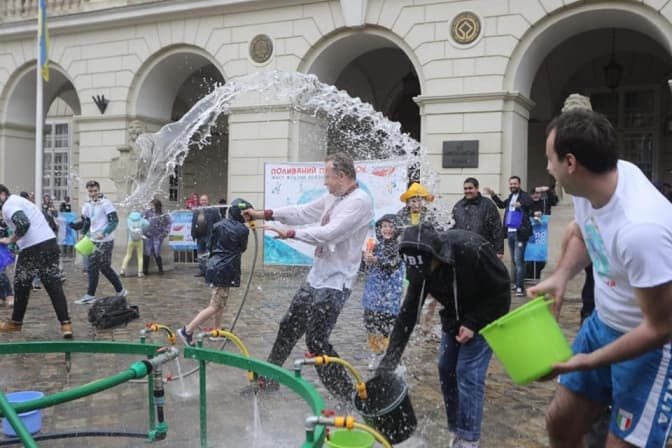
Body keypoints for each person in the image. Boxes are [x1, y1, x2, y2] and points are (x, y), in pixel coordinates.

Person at [527, 108, 672, 447]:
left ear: (571, 163)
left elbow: (661, 327)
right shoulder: (593, 186)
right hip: (602, 324)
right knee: (561, 423)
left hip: (652, 348)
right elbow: (585, 232)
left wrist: (586, 361)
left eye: (550, 159)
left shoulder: (642, 230)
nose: (548, 168)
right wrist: (562, 276)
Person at [243, 152, 373, 399]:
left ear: (341, 176)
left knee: (316, 340)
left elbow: (330, 233)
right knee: (288, 327)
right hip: (316, 277)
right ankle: (269, 380)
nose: (324, 181)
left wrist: (292, 234)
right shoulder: (333, 197)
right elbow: (302, 212)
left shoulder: (359, 201)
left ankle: (347, 395)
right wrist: (264, 214)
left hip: (336, 281)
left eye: (327, 176)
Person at [376, 223, 511, 448]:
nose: (423, 275)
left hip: (485, 313)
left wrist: (473, 323)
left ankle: (468, 439)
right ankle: (456, 428)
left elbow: (502, 292)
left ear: (437, 255)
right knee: (445, 367)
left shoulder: (471, 250)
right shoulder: (419, 268)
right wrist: (389, 361)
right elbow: (408, 314)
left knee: (467, 372)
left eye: (427, 269)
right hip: (453, 315)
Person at [0, 185, 73, 338]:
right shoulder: (19, 201)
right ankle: (66, 325)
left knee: (21, 285)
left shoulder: (8, 206)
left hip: (33, 248)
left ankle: (16, 322)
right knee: (53, 285)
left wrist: (11, 239)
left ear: (2, 194)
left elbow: (23, 224)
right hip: (49, 244)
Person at [178, 198, 250, 346]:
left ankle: (216, 331)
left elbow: (211, 244)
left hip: (215, 267)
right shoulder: (243, 230)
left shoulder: (218, 225)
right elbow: (242, 248)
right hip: (226, 269)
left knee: (219, 302)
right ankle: (187, 330)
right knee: (215, 305)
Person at [71, 180, 127, 304]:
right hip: (92, 239)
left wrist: (104, 233)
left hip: (106, 240)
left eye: (95, 191)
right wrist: (83, 233)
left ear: (99, 190)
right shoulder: (87, 204)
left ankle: (120, 290)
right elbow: (87, 222)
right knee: (92, 267)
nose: (93, 193)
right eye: (90, 191)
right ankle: (90, 295)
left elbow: (114, 221)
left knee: (104, 266)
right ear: (88, 191)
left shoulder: (106, 203)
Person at [396, 182, 440, 338]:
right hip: (409, 263)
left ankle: (426, 327)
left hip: (427, 261)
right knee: (407, 294)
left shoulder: (431, 216)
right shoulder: (401, 216)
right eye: (413, 200)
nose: (416, 204)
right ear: (408, 202)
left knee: (430, 298)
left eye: (419, 200)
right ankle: (407, 325)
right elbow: (397, 237)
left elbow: (437, 236)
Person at [360, 214, 404, 370]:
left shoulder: (400, 247)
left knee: (386, 325)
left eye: (391, 226)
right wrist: (365, 259)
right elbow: (364, 269)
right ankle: (376, 352)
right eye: (384, 226)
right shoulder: (376, 246)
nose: (387, 229)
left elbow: (392, 265)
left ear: (397, 229)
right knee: (370, 322)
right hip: (373, 292)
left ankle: (390, 356)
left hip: (390, 293)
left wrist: (376, 260)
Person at [484, 176, 533, 297]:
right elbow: (501, 205)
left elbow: (530, 202)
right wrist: (493, 195)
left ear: (519, 184)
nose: (512, 186)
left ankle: (520, 288)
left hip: (520, 233)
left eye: (515, 184)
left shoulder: (524, 196)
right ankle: (517, 283)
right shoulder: (511, 196)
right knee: (514, 261)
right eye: (511, 184)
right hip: (510, 232)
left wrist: (520, 204)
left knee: (519, 260)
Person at [452, 177, 503, 257]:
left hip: (483, 250)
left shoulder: (488, 204)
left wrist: (499, 251)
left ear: (477, 188)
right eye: (465, 189)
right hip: (463, 250)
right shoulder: (459, 206)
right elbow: (453, 227)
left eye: (470, 188)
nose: (467, 191)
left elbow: (497, 227)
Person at [190, 194, 222, 277]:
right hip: (199, 236)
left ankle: (210, 271)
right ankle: (202, 271)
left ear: (208, 201)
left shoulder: (213, 210)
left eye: (205, 200)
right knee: (200, 255)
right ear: (199, 201)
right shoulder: (196, 210)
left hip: (209, 236)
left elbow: (219, 223)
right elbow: (193, 222)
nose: (203, 201)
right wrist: (193, 234)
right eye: (202, 200)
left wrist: (215, 234)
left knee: (209, 255)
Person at [142, 198, 171, 275]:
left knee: (156, 251)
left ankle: (160, 269)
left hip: (158, 235)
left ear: (157, 205)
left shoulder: (163, 213)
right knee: (147, 251)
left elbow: (168, 223)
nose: (151, 206)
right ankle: (145, 270)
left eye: (153, 205)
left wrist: (165, 232)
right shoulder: (147, 212)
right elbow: (142, 220)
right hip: (148, 235)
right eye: (151, 204)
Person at [119, 211, 149, 277]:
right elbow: (147, 224)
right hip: (139, 240)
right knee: (140, 257)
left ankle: (122, 270)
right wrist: (143, 228)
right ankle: (140, 272)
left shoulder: (129, 219)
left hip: (131, 240)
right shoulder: (141, 219)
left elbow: (129, 228)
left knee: (128, 255)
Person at [0, 214, 14, 307]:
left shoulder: (3, 222)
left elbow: (9, 235)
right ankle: (1, 296)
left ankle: (9, 295)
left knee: (1, 273)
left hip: (1, 249)